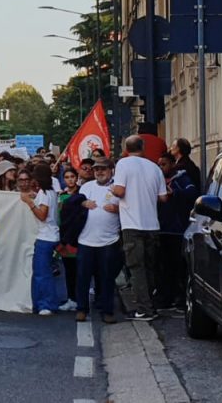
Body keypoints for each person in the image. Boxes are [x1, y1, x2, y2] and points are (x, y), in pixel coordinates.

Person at [111, 135, 169, 321]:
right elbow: (163, 198)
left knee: (136, 268)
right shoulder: (154, 167)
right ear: (142, 148)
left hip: (132, 224)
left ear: (126, 149)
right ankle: (150, 302)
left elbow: (120, 191)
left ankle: (145, 309)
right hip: (152, 224)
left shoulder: (123, 164)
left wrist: (112, 189)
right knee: (150, 266)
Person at [73, 159, 122, 323]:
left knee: (107, 278)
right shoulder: (87, 187)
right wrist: (82, 202)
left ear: (111, 170)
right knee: (82, 277)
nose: (99, 172)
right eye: (97, 169)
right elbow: (73, 203)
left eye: (103, 169)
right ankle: (81, 309)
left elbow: (130, 207)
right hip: (86, 240)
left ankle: (107, 310)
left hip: (109, 240)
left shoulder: (117, 188)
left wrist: (118, 209)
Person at [156, 152, 201, 311]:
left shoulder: (182, 179)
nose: (161, 168)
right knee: (164, 266)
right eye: (159, 165)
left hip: (177, 229)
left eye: (164, 164)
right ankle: (165, 298)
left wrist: (174, 193)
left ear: (172, 164)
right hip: (161, 229)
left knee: (178, 266)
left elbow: (192, 193)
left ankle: (181, 298)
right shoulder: (157, 180)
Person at [20, 165, 60, 316]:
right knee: (41, 271)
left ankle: (46, 304)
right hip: (48, 235)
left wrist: (29, 202)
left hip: (46, 236)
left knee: (42, 273)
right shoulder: (49, 192)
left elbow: (42, 215)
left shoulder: (45, 193)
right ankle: (40, 303)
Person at [56, 167, 82, 309]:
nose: (70, 179)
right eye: (67, 177)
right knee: (69, 269)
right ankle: (71, 298)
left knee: (79, 270)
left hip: (78, 237)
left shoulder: (82, 194)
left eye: (72, 176)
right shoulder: (61, 195)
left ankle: (80, 299)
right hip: (64, 236)